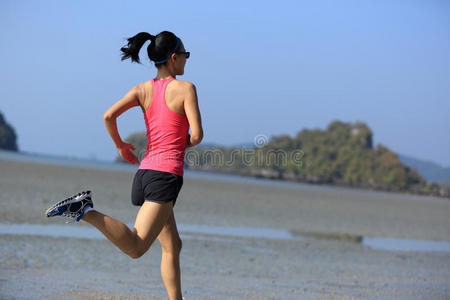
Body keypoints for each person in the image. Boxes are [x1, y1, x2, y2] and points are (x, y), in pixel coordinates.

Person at [45, 30, 203, 300]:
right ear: (174, 58)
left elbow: (109, 116)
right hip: (164, 178)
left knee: (173, 245)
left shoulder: (142, 89)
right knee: (136, 247)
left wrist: (120, 146)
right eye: (185, 56)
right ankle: (85, 210)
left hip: (144, 175)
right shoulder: (186, 88)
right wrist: (177, 145)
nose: (187, 61)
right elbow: (197, 136)